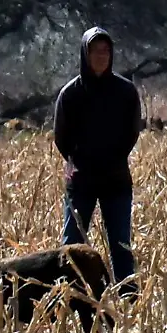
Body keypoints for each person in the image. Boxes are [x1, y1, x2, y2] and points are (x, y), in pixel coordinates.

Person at [52, 26, 142, 295]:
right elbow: (61, 137)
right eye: (95, 51)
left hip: (115, 178)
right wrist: (78, 160)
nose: (102, 56)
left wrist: (112, 157)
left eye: (106, 51)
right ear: (85, 53)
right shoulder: (71, 94)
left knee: (121, 246)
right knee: (72, 245)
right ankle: (69, 299)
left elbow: (132, 132)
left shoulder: (125, 92)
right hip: (81, 181)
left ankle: (128, 301)